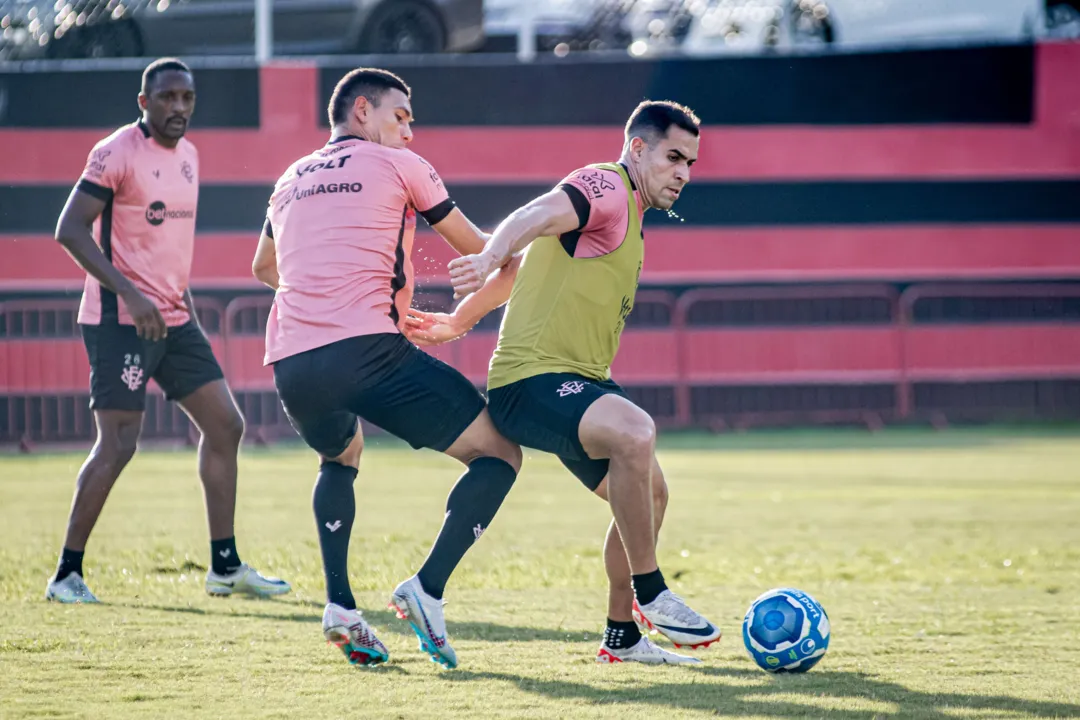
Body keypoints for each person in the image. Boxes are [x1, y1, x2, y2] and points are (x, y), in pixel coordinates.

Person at [405, 100, 721, 665]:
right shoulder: (604, 184)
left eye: (691, 163)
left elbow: (530, 267)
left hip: (575, 383)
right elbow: (534, 217)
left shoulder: (629, 216)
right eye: (673, 157)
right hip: (531, 383)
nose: (683, 173)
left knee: (650, 493)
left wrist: (462, 319)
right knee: (634, 430)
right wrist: (489, 253)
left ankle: (622, 637)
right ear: (638, 149)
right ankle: (652, 593)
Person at [252, 67, 521, 669]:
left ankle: (341, 608)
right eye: (401, 117)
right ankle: (425, 590)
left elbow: (264, 269)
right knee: (500, 453)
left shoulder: (289, 178)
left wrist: (324, 296)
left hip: (291, 360)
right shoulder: (401, 166)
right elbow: (490, 255)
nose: (410, 130)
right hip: (367, 349)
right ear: (363, 111)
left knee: (339, 457)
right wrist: (456, 319)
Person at [47, 58, 290, 604]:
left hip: (176, 321)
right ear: (144, 102)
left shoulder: (189, 157)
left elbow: (165, 252)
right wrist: (131, 296)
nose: (179, 108)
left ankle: (225, 567)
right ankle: (66, 574)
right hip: (119, 323)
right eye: (167, 98)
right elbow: (69, 229)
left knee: (226, 424)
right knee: (118, 445)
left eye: (187, 98)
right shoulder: (115, 153)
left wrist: (181, 308)